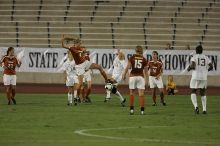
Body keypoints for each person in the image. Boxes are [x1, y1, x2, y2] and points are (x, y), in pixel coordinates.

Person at [61, 35, 108, 105]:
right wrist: (62, 40)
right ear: (76, 43)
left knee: (99, 67)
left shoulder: (79, 46)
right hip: (79, 66)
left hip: (85, 63)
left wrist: (73, 40)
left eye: (80, 43)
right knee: (80, 83)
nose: (80, 44)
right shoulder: (72, 48)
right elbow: (64, 46)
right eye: (79, 43)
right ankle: (76, 97)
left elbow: (81, 47)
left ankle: (107, 81)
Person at [187, 45, 213, 114]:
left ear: (196, 51)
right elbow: (211, 66)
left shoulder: (194, 57)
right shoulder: (206, 57)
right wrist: (206, 71)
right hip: (203, 77)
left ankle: (196, 107)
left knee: (193, 91)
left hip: (195, 76)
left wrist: (189, 68)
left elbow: (193, 66)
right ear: (202, 50)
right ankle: (204, 109)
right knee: (203, 92)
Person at [122, 46, 148, 115]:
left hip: (133, 76)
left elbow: (128, 67)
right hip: (140, 77)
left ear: (135, 50)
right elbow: (146, 71)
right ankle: (142, 111)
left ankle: (131, 110)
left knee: (131, 93)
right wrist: (147, 80)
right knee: (141, 94)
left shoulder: (132, 57)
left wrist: (124, 74)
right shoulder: (144, 59)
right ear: (141, 51)